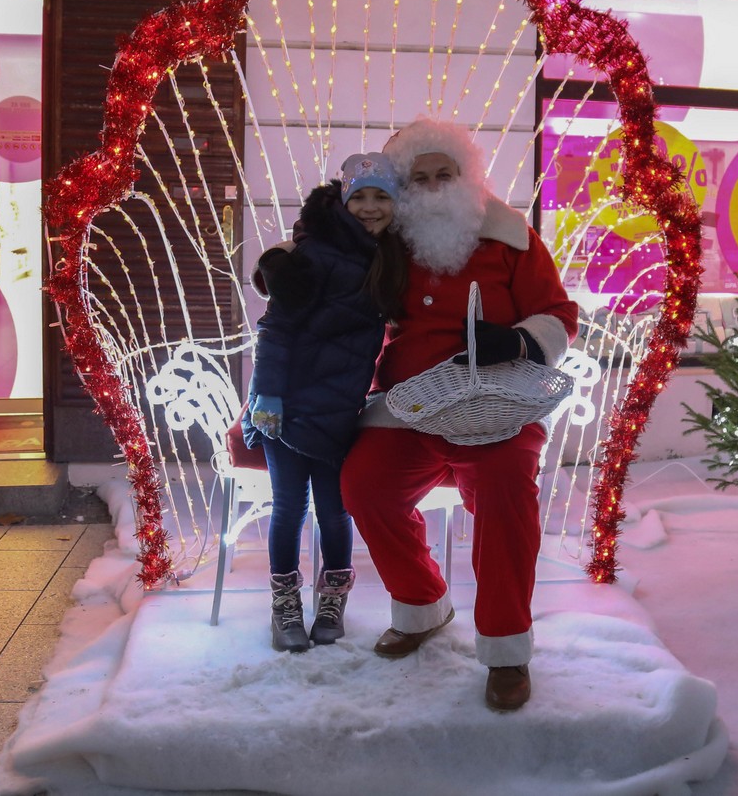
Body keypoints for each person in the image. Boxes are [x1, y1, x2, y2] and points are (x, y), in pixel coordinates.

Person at [339, 117, 579, 711]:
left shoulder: (509, 235)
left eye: (445, 174)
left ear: (466, 176)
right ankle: (423, 604)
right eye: (419, 179)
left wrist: (519, 343)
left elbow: (557, 312)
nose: (435, 186)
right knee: (363, 484)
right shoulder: (385, 240)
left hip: (496, 403)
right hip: (407, 406)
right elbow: (323, 251)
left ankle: (505, 649)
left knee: (503, 493)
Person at [244, 152, 407, 652]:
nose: (371, 207)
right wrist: (268, 394)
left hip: (342, 409)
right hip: (288, 405)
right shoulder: (314, 254)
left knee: (336, 511)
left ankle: (333, 598)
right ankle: (285, 603)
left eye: (382, 197)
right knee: (290, 508)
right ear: (342, 199)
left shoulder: (389, 256)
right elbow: (277, 327)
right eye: (360, 197)